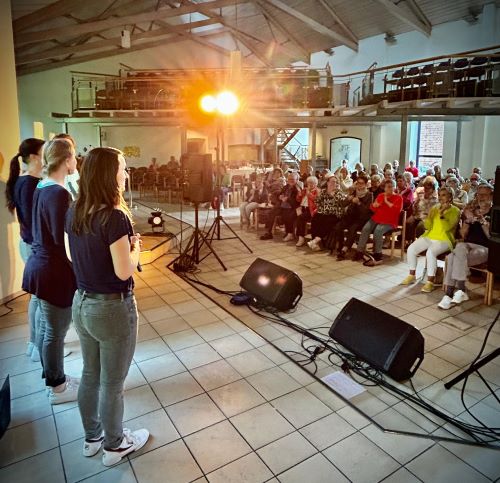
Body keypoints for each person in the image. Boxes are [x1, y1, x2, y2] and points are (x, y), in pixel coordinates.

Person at [66, 147, 149, 466]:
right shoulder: (115, 217)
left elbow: (72, 256)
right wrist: (136, 250)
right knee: (112, 384)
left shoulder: (75, 210)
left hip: (82, 303)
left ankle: (93, 438)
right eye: (122, 168)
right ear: (107, 175)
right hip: (112, 309)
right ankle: (115, 446)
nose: (126, 174)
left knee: (90, 374)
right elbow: (124, 271)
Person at [22, 138, 79, 404]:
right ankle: (57, 387)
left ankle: (53, 378)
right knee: (55, 332)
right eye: (75, 156)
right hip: (52, 273)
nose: (76, 162)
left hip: (40, 267)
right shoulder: (57, 193)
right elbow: (63, 240)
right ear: (67, 160)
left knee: (47, 330)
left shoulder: (42, 186)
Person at [5, 138, 45, 360]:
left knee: (37, 299)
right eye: (44, 151)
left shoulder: (26, 181)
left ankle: (34, 343)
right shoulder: (29, 183)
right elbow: (33, 220)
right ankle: (38, 347)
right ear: (35, 156)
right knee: (40, 300)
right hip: (34, 246)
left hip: (30, 244)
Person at [438, 184, 493, 309]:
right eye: (479, 194)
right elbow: (462, 234)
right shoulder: (472, 209)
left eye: (484, 194)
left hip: (485, 248)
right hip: (466, 246)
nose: (481, 197)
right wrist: (468, 221)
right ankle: (460, 291)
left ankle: (450, 293)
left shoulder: (495, 212)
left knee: (453, 257)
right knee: (460, 248)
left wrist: (483, 221)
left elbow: (491, 237)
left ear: (491, 195)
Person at [401, 187, 461, 292]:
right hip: (430, 236)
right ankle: (412, 275)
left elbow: (448, 227)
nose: (441, 197)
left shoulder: (455, 210)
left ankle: (430, 282)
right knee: (411, 249)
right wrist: (427, 217)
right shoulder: (435, 208)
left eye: (444, 195)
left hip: (445, 239)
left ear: (450, 197)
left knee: (430, 252)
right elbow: (428, 226)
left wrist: (442, 214)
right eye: (440, 194)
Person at [352, 179, 403, 266]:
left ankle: (378, 254)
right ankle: (359, 251)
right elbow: (373, 208)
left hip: (389, 221)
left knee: (378, 231)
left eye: (391, 187)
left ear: (394, 188)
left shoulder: (398, 198)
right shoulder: (380, 195)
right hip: (376, 218)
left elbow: (397, 210)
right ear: (385, 188)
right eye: (387, 187)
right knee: (365, 229)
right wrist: (374, 205)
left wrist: (386, 201)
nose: (389, 189)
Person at [330, 174, 373, 260]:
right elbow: (343, 204)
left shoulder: (369, 195)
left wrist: (359, 203)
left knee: (352, 229)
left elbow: (366, 211)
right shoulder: (354, 192)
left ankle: (344, 250)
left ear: (365, 184)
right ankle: (340, 246)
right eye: (358, 183)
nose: (359, 185)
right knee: (338, 227)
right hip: (350, 217)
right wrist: (348, 199)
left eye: (362, 183)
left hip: (361, 219)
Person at [307, 175, 346, 251]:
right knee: (315, 219)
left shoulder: (339, 192)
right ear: (327, 182)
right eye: (332, 181)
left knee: (328, 221)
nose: (334, 183)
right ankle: (315, 244)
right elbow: (317, 201)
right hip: (323, 212)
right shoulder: (323, 191)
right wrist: (320, 208)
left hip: (334, 213)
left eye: (335, 182)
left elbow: (342, 203)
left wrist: (333, 196)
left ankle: (315, 240)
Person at [260, 172, 300, 241]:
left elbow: (297, 202)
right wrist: (280, 197)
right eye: (289, 179)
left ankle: (289, 233)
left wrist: (288, 199)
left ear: (296, 180)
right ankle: (269, 232)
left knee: (287, 215)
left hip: (291, 207)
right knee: (271, 212)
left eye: (293, 179)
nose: (291, 181)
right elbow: (280, 195)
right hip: (282, 205)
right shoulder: (286, 187)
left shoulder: (297, 189)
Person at [406, 177, 438, 242]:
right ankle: (409, 241)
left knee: (420, 226)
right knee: (408, 223)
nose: (425, 189)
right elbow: (415, 206)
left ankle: (420, 242)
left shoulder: (436, 197)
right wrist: (415, 206)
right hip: (417, 215)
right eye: (425, 187)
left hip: (427, 217)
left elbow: (433, 211)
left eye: (428, 188)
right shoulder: (421, 194)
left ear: (433, 188)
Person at [295, 176, 320, 247]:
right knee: (291, 215)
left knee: (300, 218)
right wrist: (299, 195)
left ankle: (301, 238)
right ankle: (292, 234)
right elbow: (298, 200)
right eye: (309, 183)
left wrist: (309, 194)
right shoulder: (305, 190)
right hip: (302, 208)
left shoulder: (317, 191)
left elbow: (317, 200)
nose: (310, 184)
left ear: (316, 184)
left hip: (310, 210)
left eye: (312, 183)